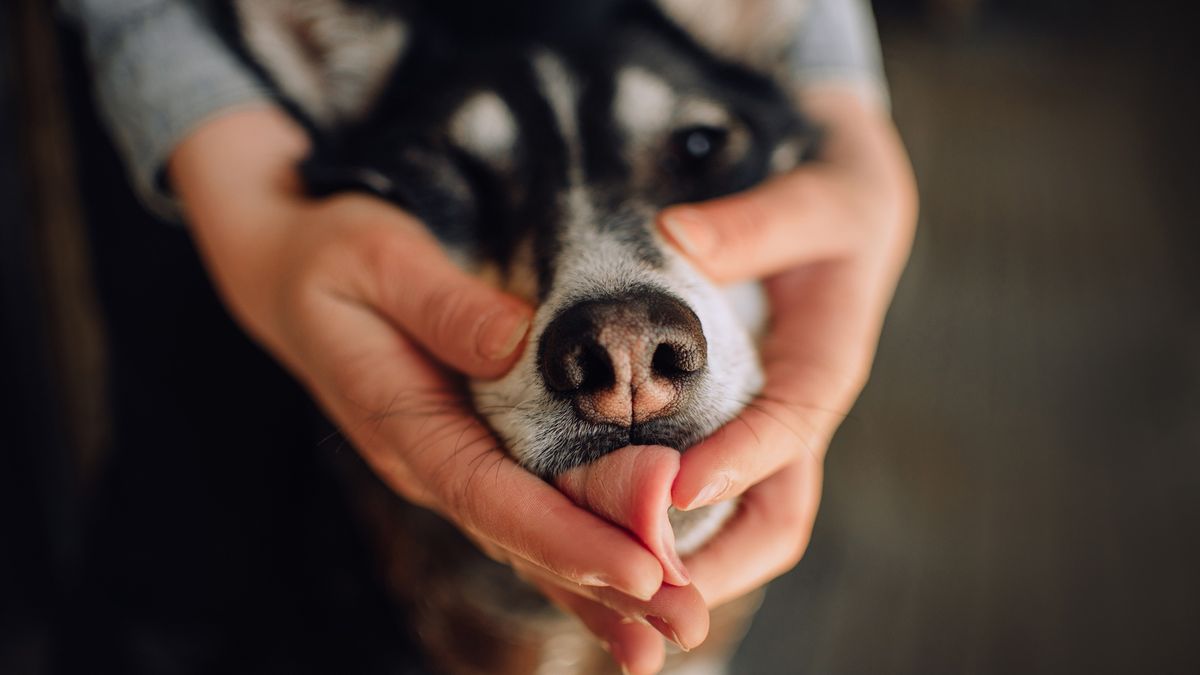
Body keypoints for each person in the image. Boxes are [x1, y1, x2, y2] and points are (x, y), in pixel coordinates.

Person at [61, 1, 917, 673]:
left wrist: (836, 91)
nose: (624, 350)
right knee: (190, 536)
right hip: (233, 182)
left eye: (695, 148)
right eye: (454, 180)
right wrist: (223, 149)